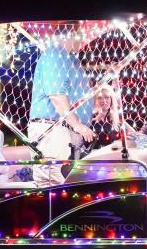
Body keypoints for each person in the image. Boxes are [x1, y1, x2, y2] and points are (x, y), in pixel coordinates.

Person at [27, 30, 97, 185]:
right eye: (82, 35)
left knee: (69, 185)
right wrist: (78, 125)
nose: (85, 40)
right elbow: (56, 96)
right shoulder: (55, 54)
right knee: (56, 186)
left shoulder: (71, 59)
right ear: (70, 34)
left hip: (67, 132)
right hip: (54, 131)